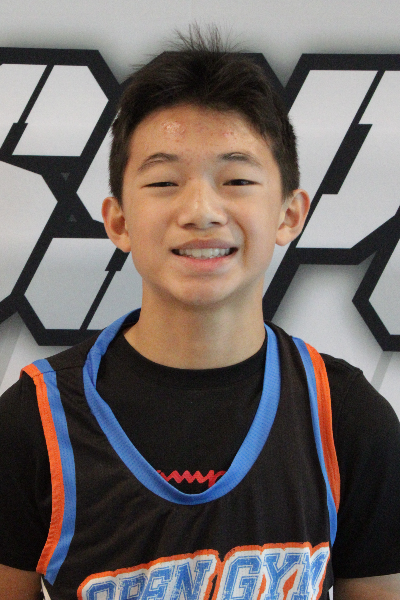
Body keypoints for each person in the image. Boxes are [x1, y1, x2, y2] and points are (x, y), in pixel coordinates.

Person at [1, 28, 400, 600]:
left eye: (237, 179)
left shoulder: (347, 418)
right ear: (118, 221)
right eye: (165, 181)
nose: (201, 210)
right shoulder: (33, 421)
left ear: (290, 214)